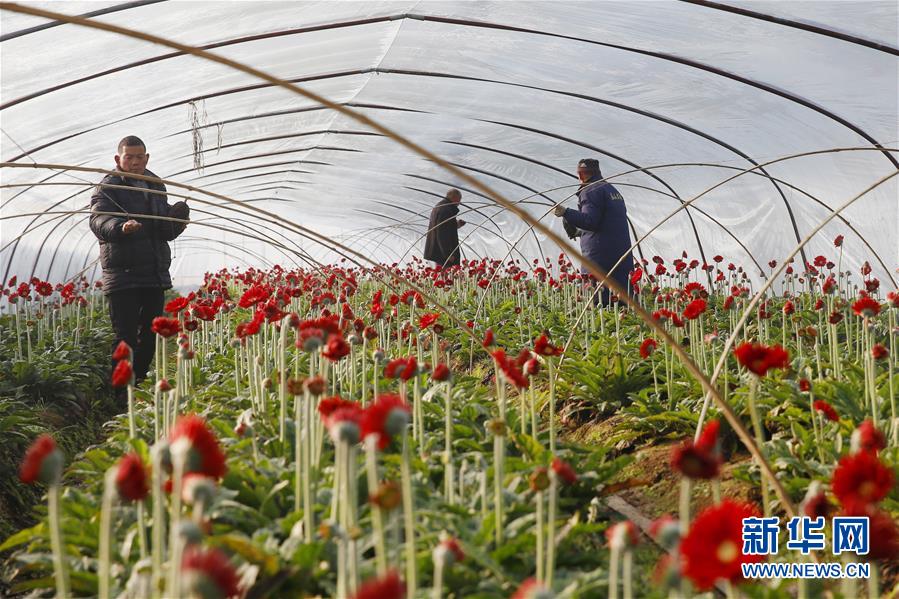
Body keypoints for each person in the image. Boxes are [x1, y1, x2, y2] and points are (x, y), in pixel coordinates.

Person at [90, 136, 190, 390]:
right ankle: (121, 391)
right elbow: (98, 220)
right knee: (125, 337)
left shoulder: (155, 185)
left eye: (139, 157)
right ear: (118, 159)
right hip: (122, 274)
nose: (135, 162)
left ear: (147, 158)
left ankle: (140, 380)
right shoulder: (108, 187)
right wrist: (120, 227)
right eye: (129, 157)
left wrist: (176, 221)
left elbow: (163, 231)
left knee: (151, 334)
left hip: (153, 272)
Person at [553, 158, 634, 305]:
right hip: (619, 258)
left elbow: (590, 221)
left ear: (581, 175)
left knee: (600, 306)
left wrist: (566, 212)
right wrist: (579, 232)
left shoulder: (590, 190)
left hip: (600, 259)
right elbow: (606, 223)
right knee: (621, 303)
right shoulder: (612, 190)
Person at [423, 188, 466, 268]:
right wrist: (448, 254)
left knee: (442, 276)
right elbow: (442, 234)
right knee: (446, 277)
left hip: (438, 252)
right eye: (459, 199)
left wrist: (456, 225)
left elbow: (445, 227)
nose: (460, 202)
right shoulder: (445, 210)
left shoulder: (441, 207)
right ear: (454, 198)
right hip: (442, 254)